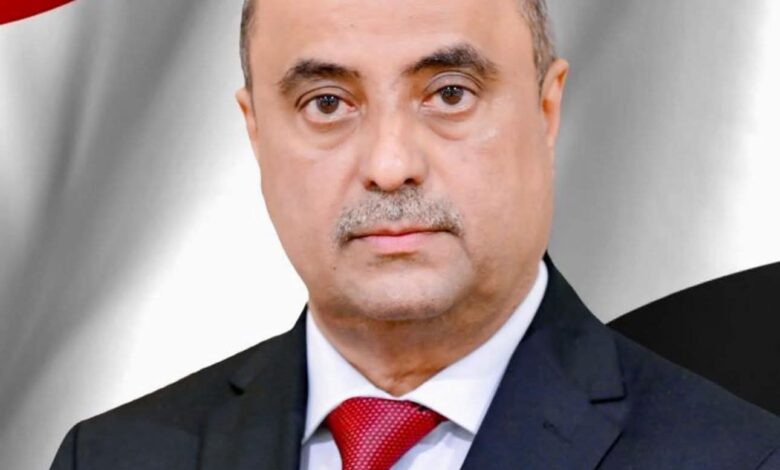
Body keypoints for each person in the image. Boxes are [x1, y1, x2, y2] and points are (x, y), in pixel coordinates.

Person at [50, 0, 780, 468]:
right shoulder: (110, 457)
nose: (390, 165)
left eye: (449, 94)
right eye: (327, 102)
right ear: (255, 131)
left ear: (546, 110)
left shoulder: (739, 458)